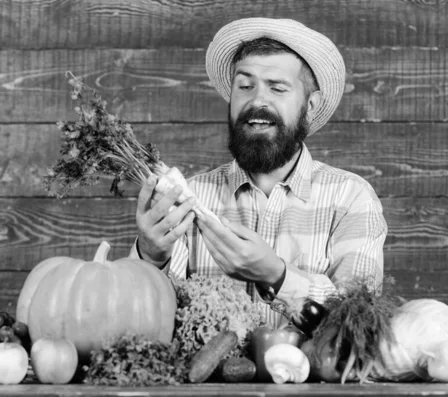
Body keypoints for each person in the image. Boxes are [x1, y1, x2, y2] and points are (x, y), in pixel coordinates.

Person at [131, 18, 387, 327]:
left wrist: (276, 275)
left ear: (311, 105)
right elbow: (142, 318)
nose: (257, 101)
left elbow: (358, 324)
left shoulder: (351, 199)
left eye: (277, 88)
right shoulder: (188, 199)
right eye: (245, 86)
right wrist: (150, 255)